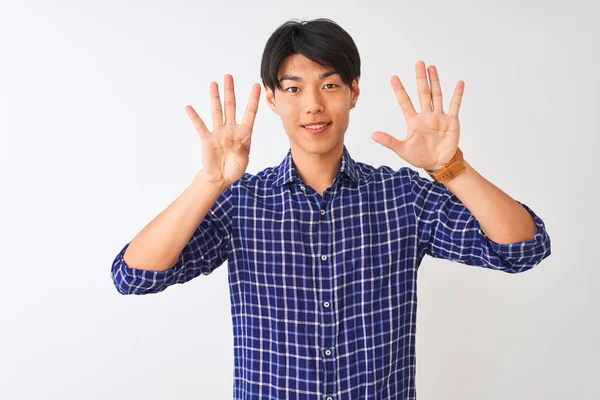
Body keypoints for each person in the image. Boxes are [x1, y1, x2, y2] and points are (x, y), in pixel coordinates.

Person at [111, 18, 551, 400]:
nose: (313, 105)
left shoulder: (401, 197)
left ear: (353, 91)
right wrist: (209, 183)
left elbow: (523, 248)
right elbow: (134, 276)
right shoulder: (242, 203)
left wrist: (451, 168)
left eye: (329, 85)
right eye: (294, 88)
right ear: (272, 99)